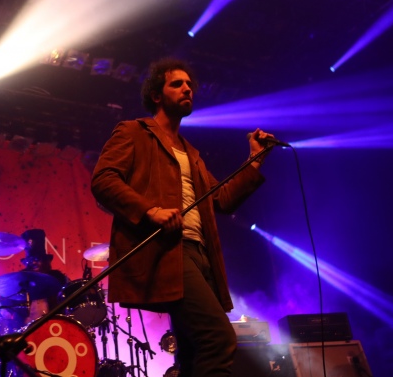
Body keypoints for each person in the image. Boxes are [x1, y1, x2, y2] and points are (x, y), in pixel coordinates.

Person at [91, 58, 274, 377]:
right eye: (177, 83)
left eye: (189, 84)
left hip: (201, 257)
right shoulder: (134, 132)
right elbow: (104, 179)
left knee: (192, 354)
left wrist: (255, 160)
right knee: (218, 339)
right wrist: (150, 210)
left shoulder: (192, 153)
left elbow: (223, 199)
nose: (187, 88)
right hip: (168, 252)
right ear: (157, 95)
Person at [18, 229, 68, 324]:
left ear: (45, 261)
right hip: (26, 330)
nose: (33, 262)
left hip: (55, 327)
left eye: (37, 259)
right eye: (30, 260)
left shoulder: (58, 278)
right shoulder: (21, 280)